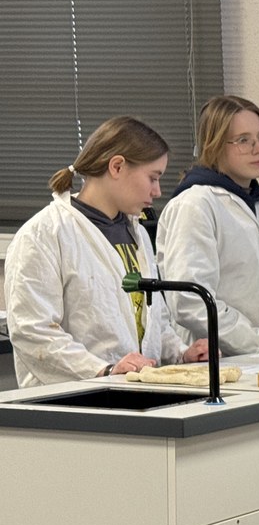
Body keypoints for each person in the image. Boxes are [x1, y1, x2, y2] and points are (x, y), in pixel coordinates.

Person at [4, 117, 210, 387]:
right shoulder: (44, 235)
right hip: (72, 398)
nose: (158, 191)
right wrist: (103, 369)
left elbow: (151, 322)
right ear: (117, 166)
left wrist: (182, 354)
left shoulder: (136, 232)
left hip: (132, 390)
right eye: (152, 177)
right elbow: (33, 331)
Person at [156, 95, 259, 355]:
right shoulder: (195, 205)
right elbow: (191, 300)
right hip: (214, 357)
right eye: (243, 140)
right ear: (214, 145)